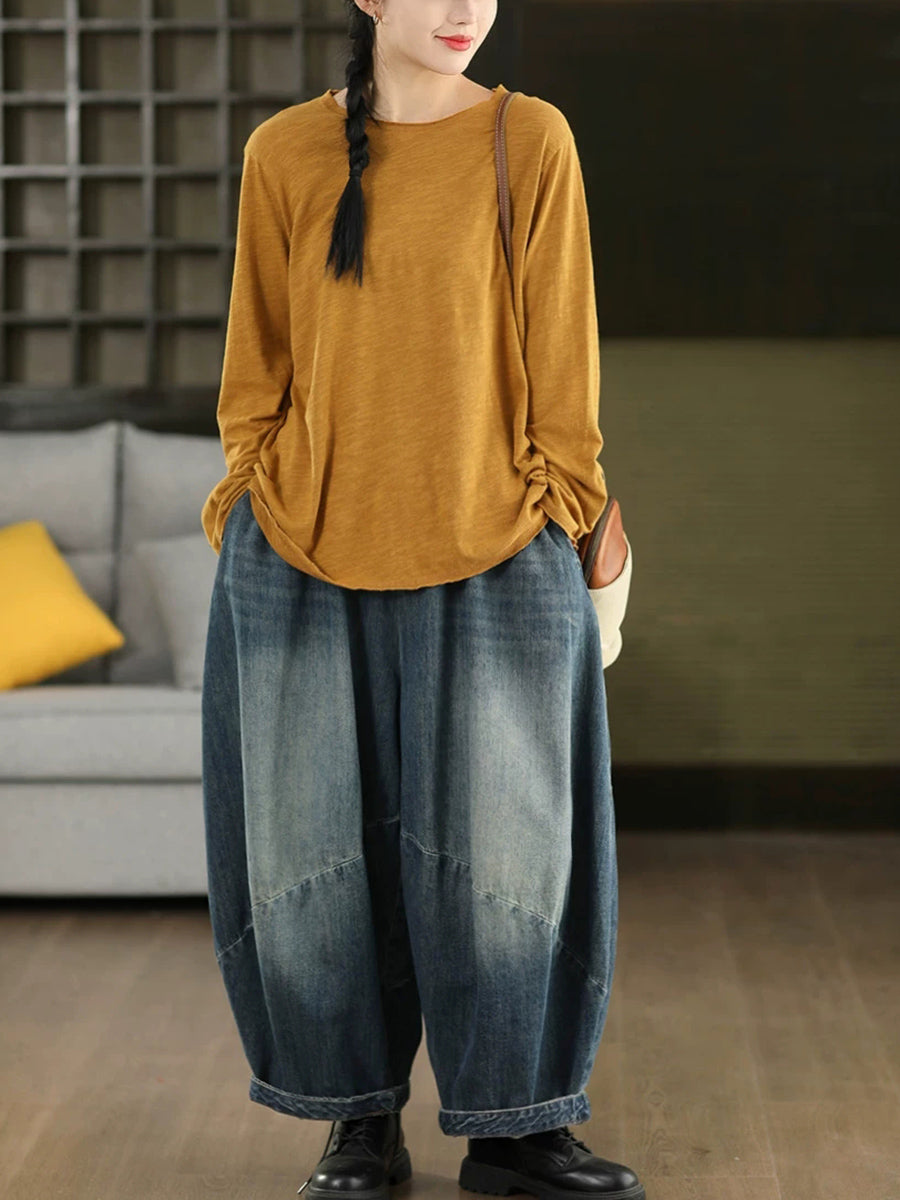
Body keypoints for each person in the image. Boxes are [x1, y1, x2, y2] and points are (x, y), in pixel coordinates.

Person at [199, 2, 644, 1198]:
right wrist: (250, 494)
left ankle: (517, 1131)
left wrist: (559, 507)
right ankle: (356, 1123)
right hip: (300, 549)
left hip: (498, 544)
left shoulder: (530, 138)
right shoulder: (283, 152)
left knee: (513, 859)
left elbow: (565, 363)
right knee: (314, 858)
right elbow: (256, 364)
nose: (462, 10)